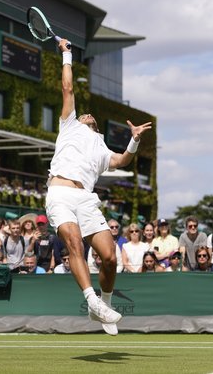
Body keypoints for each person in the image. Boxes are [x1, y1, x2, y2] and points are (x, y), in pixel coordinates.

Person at [44, 38, 152, 335]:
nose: (86, 114)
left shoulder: (103, 150)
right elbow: (67, 88)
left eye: (90, 116)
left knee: (109, 256)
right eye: (83, 113)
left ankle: (103, 307)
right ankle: (91, 300)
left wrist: (135, 139)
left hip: (86, 199)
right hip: (60, 193)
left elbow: (124, 160)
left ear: (96, 125)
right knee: (75, 245)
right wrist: (66, 55)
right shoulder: (69, 125)